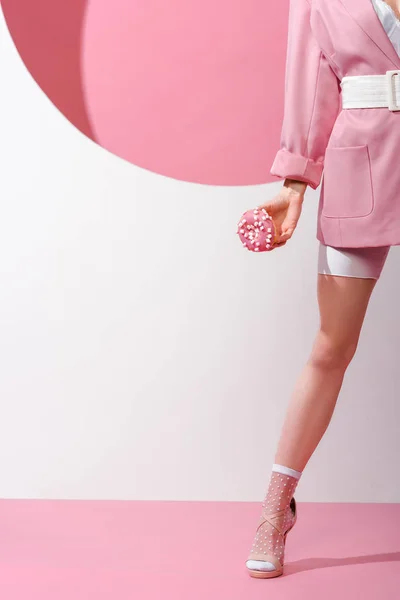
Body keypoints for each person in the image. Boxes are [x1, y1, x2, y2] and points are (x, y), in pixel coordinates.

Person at [245, 0, 400, 578]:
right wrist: (294, 183)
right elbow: (310, 84)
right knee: (332, 348)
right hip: (362, 165)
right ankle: (274, 507)